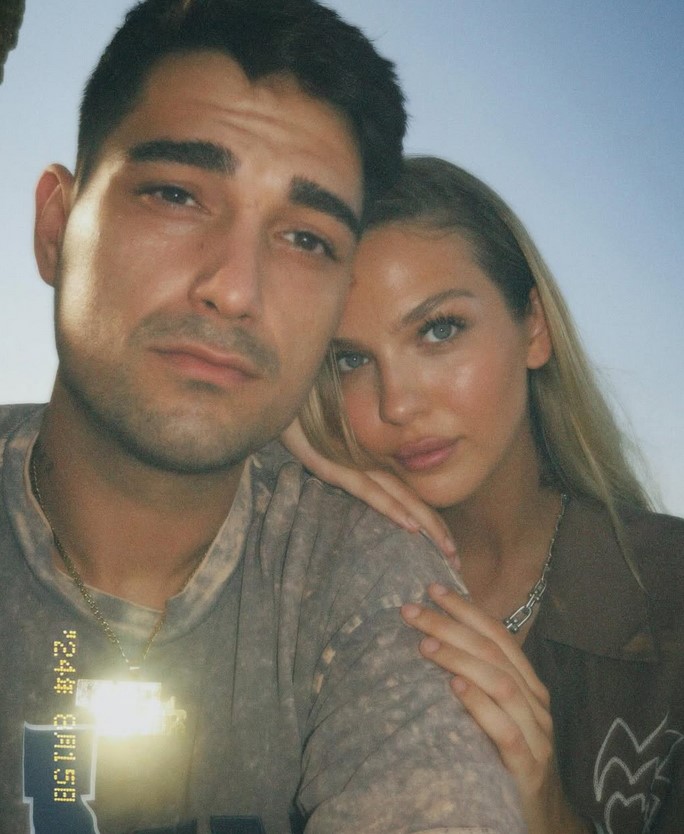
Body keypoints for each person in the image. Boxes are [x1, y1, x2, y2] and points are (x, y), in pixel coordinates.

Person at [0, 5, 526, 834]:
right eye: (177, 195)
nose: (235, 289)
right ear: (56, 227)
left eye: (306, 240)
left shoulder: (368, 578)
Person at [289, 156, 684, 833]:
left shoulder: (671, 589)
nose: (398, 403)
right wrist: (271, 431)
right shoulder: (301, 572)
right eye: (349, 359)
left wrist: (550, 814)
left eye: (438, 330)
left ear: (534, 328)